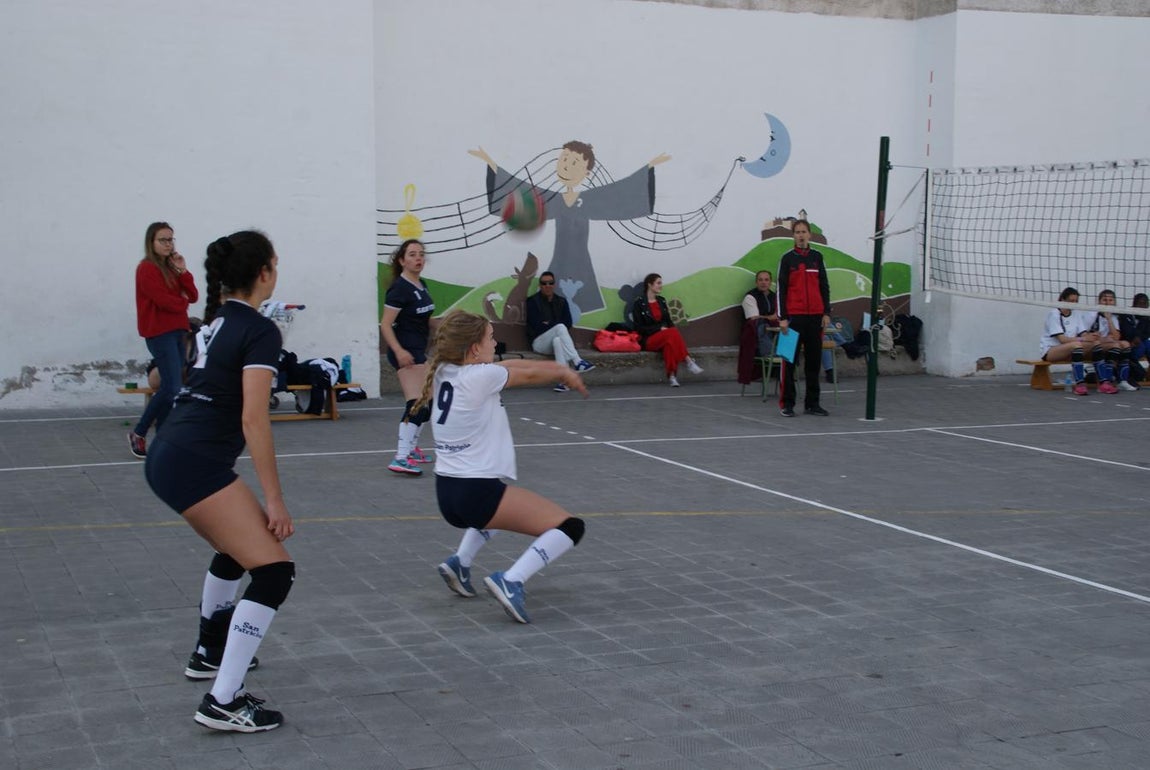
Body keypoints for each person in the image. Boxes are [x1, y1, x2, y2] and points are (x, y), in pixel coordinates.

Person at [144, 230, 294, 733]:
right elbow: (255, 419)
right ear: (264, 273)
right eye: (275, 263)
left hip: (170, 451)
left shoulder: (216, 322)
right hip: (193, 460)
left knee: (237, 549)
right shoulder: (260, 329)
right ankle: (224, 700)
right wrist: (275, 499)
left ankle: (209, 652)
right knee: (275, 572)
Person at [412, 310, 588, 624]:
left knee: (500, 506)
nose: (495, 343)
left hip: (447, 492)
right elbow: (525, 375)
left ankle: (460, 562)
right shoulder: (480, 377)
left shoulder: (443, 370)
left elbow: (506, 366)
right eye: (491, 338)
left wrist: (557, 367)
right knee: (570, 527)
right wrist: (561, 373)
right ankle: (512, 580)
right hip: (475, 492)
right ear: (474, 349)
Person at [471, 142, 670, 319]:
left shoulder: (590, 200)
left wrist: (649, 168)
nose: (566, 165)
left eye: (574, 162)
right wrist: (492, 164)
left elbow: (618, 194)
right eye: (564, 159)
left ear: (587, 172)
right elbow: (522, 192)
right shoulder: (554, 200)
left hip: (581, 260)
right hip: (560, 258)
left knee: (578, 292)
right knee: (554, 290)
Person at [130, 222, 198, 458]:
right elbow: (163, 300)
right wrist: (181, 302)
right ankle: (139, 432)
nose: (169, 244)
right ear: (152, 242)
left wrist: (183, 271)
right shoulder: (146, 268)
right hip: (158, 332)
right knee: (172, 387)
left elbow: (193, 295)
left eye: (171, 239)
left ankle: (161, 438)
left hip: (178, 330)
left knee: (173, 388)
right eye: (163, 240)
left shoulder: (171, 267)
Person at [380, 239, 435, 475]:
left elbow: (424, 319)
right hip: (405, 351)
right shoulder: (399, 289)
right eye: (412, 254)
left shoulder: (421, 285)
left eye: (421, 254)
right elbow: (385, 324)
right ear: (402, 260)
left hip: (418, 350)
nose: (418, 258)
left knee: (428, 405)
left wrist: (447, 327)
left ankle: (411, 450)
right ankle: (400, 457)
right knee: (416, 403)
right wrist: (399, 351)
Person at [776, 220, 831, 416]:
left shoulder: (817, 257)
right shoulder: (787, 259)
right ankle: (787, 404)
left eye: (803, 232)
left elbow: (824, 286)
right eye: (797, 232)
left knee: (813, 363)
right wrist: (782, 317)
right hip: (793, 318)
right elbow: (781, 289)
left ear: (809, 234)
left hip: (815, 317)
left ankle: (812, 404)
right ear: (793, 235)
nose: (800, 235)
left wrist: (826, 312)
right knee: (788, 362)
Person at [525, 270, 595, 392]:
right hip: (539, 342)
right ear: (540, 285)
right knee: (560, 327)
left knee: (558, 339)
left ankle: (564, 381)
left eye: (550, 283)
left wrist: (548, 323)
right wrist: (554, 324)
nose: (547, 286)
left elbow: (568, 322)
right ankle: (577, 361)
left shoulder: (561, 301)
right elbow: (537, 326)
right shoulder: (532, 301)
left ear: (554, 284)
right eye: (544, 283)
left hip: (556, 340)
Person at [630, 273, 704, 387]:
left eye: (661, 283)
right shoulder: (639, 303)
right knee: (672, 333)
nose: (661, 286)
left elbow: (669, 322)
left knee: (669, 345)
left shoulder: (661, 301)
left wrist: (666, 330)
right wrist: (659, 329)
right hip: (648, 340)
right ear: (650, 284)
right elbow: (638, 327)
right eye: (658, 283)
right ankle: (688, 360)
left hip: (664, 337)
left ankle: (672, 377)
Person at [1039, 286, 1108, 395]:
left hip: (1072, 348)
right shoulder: (1054, 314)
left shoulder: (1076, 313)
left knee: (1096, 343)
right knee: (1076, 345)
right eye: (1071, 301)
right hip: (1051, 350)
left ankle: (1104, 383)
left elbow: (1083, 334)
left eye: (1076, 301)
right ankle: (1080, 384)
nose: (1074, 304)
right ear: (1063, 299)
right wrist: (1084, 338)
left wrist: (1092, 336)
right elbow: (1062, 339)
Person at [1084, 289, 1137, 391]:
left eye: (1110, 300)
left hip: (1107, 344)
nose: (1107, 303)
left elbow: (1116, 337)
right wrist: (1104, 339)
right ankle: (1106, 381)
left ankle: (1122, 381)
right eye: (1105, 300)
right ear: (1099, 301)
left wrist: (1109, 319)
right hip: (1092, 346)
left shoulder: (1113, 316)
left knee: (1125, 344)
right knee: (1115, 345)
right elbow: (1084, 335)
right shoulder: (1091, 314)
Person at [741, 270, 779, 356]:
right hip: (755, 333)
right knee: (761, 323)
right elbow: (754, 318)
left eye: (766, 280)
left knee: (788, 325)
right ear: (756, 282)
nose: (763, 282)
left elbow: (780, 315)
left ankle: (787, 354)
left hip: (773, 330)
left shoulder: (774, 297)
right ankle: (770, 353)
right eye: (760, 280)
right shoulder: (750, 297)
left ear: (770, 282)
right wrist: (771, 317)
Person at [1118, 292, 1150, 384]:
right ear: (1134, 304)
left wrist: (1138, 338)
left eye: (1145, 304)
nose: (1142, 306)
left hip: (1140, 341)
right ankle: (1133, 369)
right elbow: (1125, 331)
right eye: (1140, 303)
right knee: (1140, 348)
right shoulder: (1126, 314)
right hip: (1127, 341)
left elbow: (1147, 333)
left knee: (1147, 345)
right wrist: (1134, 339)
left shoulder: (1147, 317)